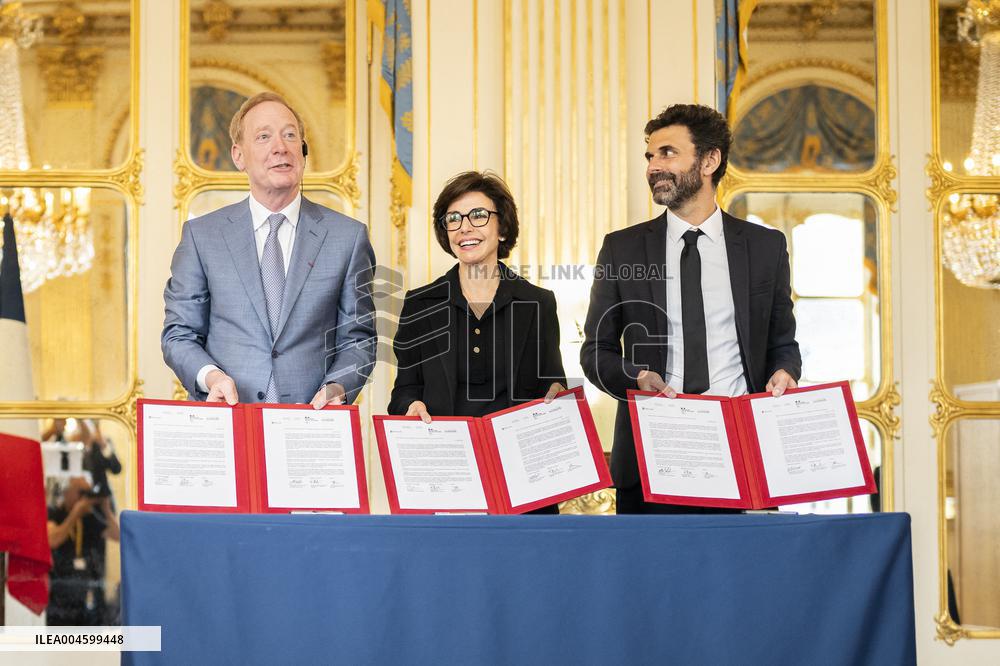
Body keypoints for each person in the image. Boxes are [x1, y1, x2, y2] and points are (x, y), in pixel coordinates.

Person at [581, 104, 802, 514]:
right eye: (649, 156)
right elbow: (596, 351)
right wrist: (637, 377)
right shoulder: (622, 247)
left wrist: (785, 372)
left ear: (709, 160)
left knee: (739, 578)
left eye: (667, 153)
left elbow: (782, 342)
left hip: (744, 451)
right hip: (654, 452)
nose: (652, 166)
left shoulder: (765, 247)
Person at [162, 92, 376, 407]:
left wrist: (337, 387)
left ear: (303, 152)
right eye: (264, 136)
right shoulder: (201, 236)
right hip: (229, 422)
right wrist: (211, 377)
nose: (280, 146)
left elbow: (359, 338)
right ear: (239, 156)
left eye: (290, 135)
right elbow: (179, 334)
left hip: (311, 426)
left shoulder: (348, 237)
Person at [388, 171, 567, 514]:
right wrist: (409, 406)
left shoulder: (538, 303)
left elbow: (552, 384)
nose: (465, 227)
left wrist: (557, 395)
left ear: (502, 228)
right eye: (453, 219)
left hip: (522, 480)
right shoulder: (419, 304)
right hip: (446, 474)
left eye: (479, 216)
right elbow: (404, 390)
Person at [46, 477, 120, 625]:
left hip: (88, 593)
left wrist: (106, 510)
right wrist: (75, 514)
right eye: (81, 492)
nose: (85, 497)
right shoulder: (55, 514)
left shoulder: (92, 518)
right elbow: (53, 540)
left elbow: (118, 536)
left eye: (88, 492)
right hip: (60, 594)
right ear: (67, 493)